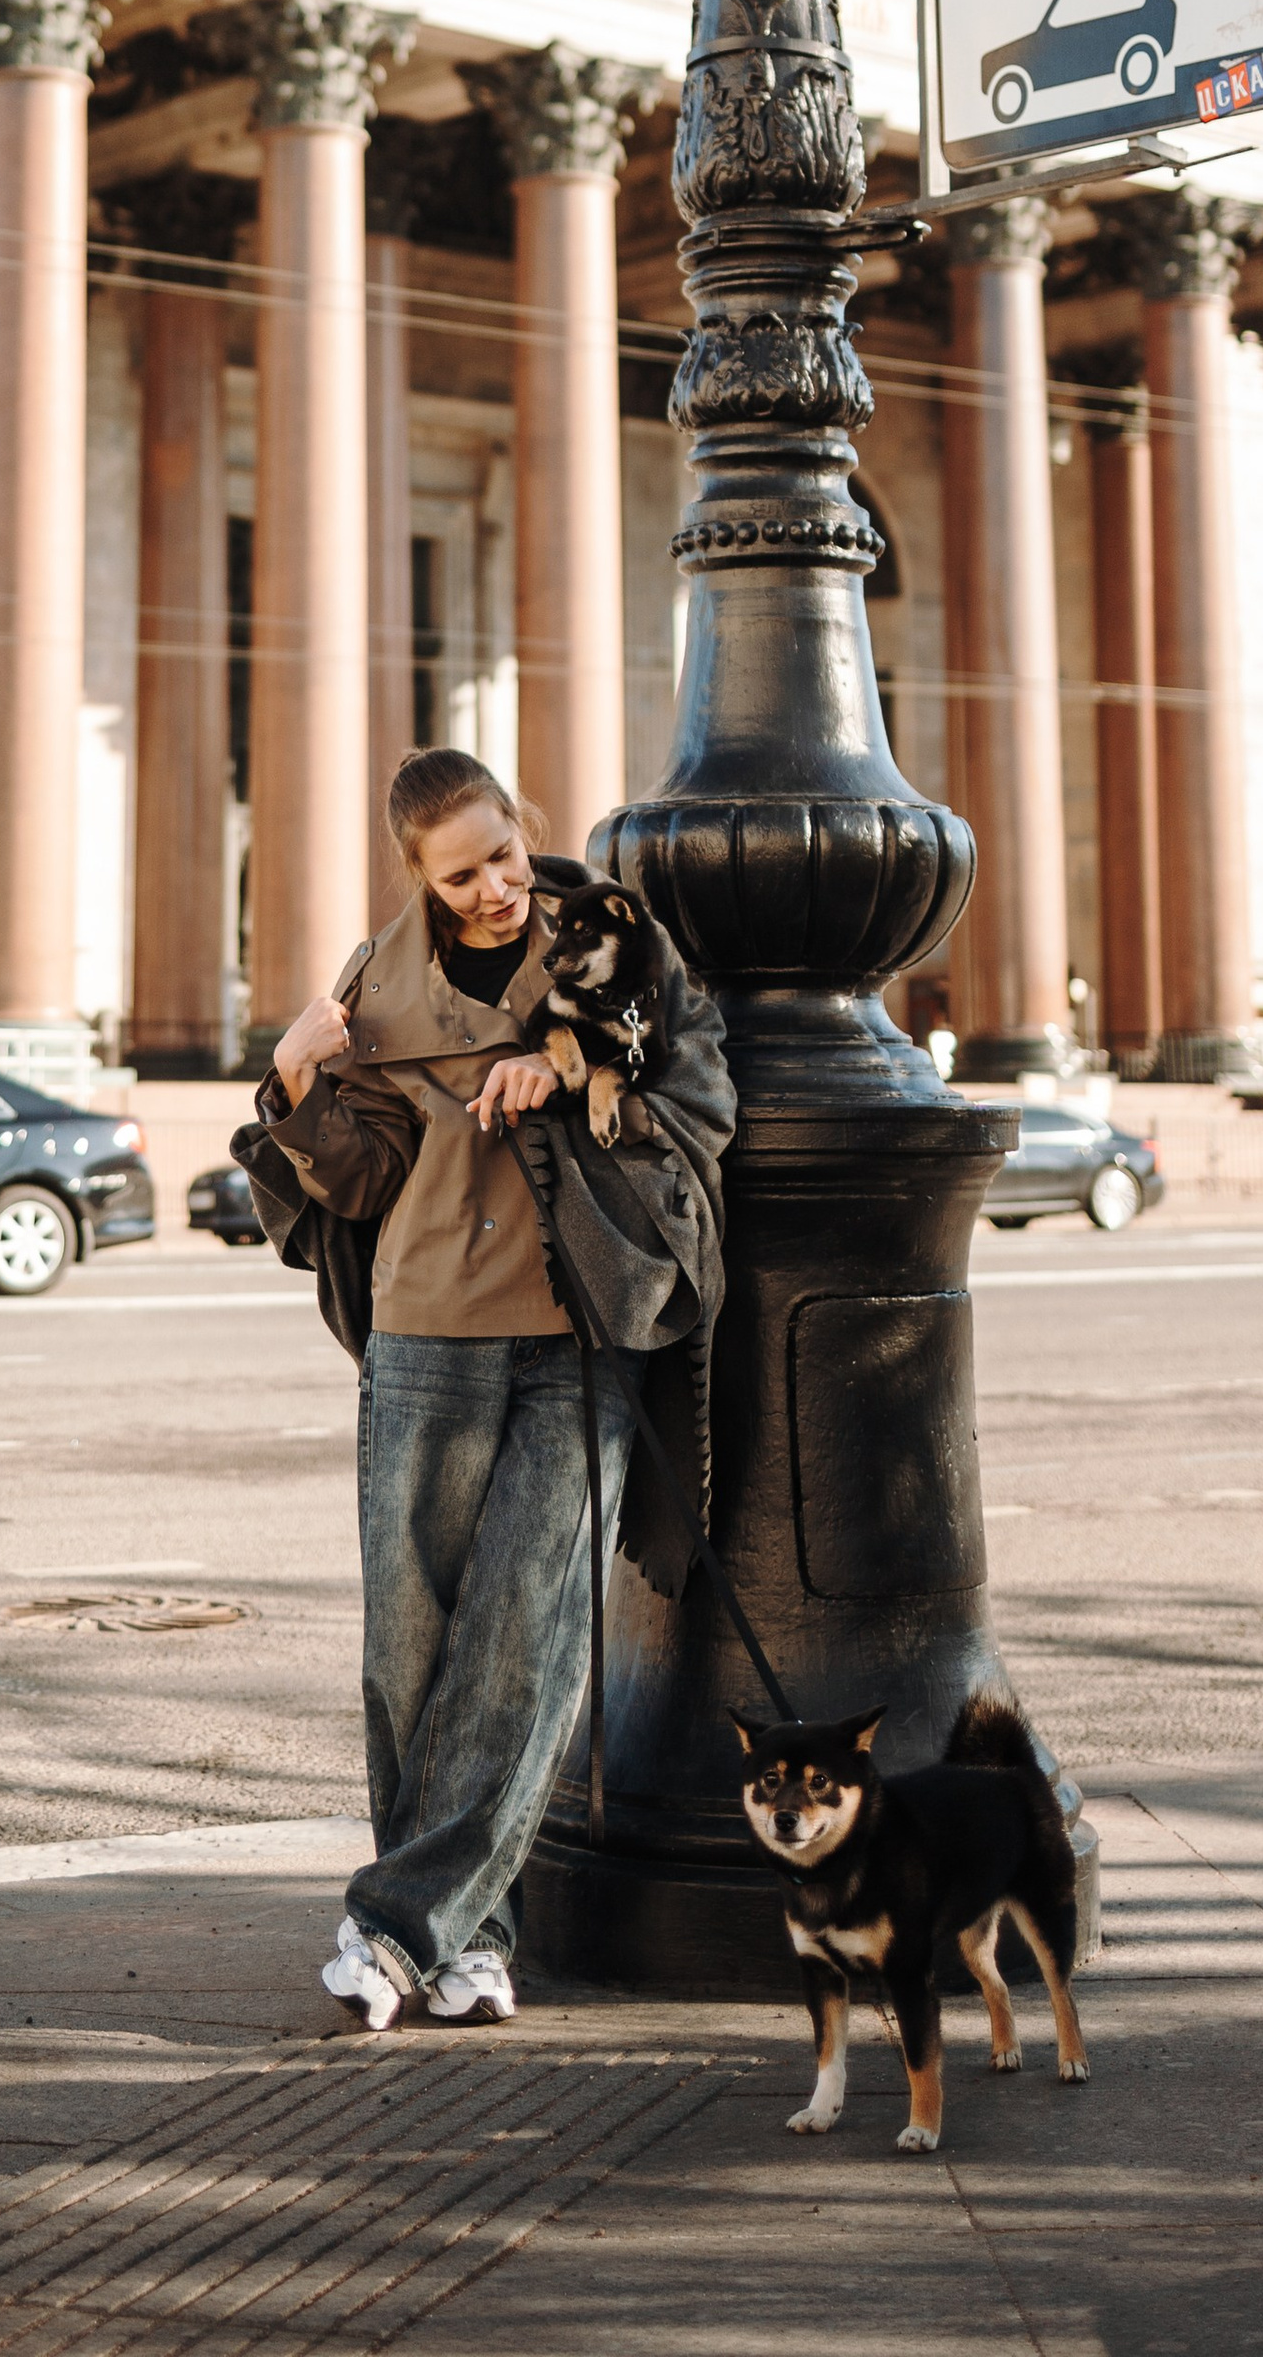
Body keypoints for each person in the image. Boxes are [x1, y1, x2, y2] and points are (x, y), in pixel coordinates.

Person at [235, 747, 733, 2033]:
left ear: (523, 830)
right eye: (460, 876)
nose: (496, 889)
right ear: (418, 877)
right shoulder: (374, 984)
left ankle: (394, 1933)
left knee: (530, 1646)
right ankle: (472, 1941)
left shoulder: (615, 944)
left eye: (503, 855)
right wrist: (293, 1081)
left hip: (576, 1337)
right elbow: (354, 1181)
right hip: (423, 1338)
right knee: (413, 1647)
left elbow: (705, 1096)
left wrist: (573, 1073)